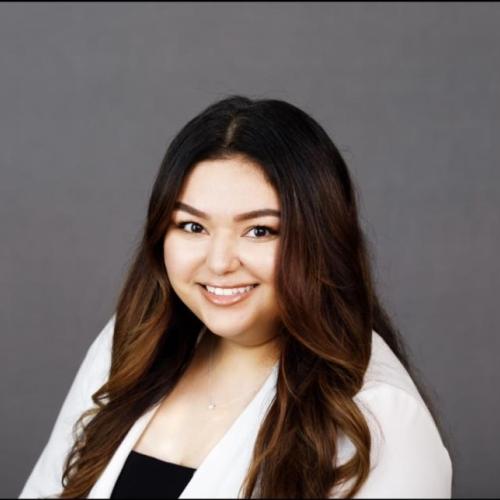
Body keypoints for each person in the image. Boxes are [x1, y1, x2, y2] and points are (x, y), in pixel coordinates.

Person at [19, 95, 453, 499]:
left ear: (321, 240)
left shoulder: (378, 417)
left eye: (259, 230)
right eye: (193, 227)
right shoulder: (131, 345)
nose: (220, 262)